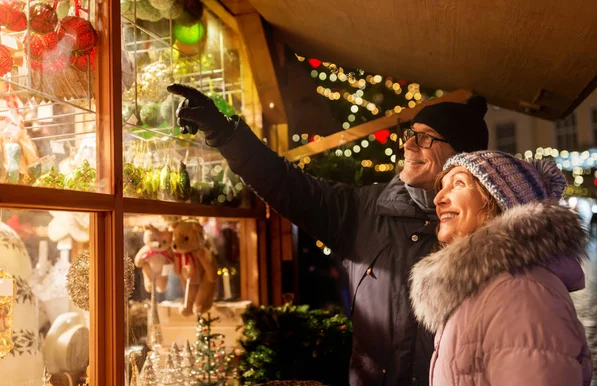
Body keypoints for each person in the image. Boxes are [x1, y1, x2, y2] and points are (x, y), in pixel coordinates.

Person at [167, 83, 489, 386]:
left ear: (462, 156)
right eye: (410, 134)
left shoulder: (489, 233)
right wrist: (222, 132)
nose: (407, 145)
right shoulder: (364, 211)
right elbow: (286, 184)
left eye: (426, 138)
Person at [410, 151, 593, 385]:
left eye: (458, 184)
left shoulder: (521, 290)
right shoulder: (484, 286)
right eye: (442, 187)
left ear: (499, 200)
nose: (438, 199)